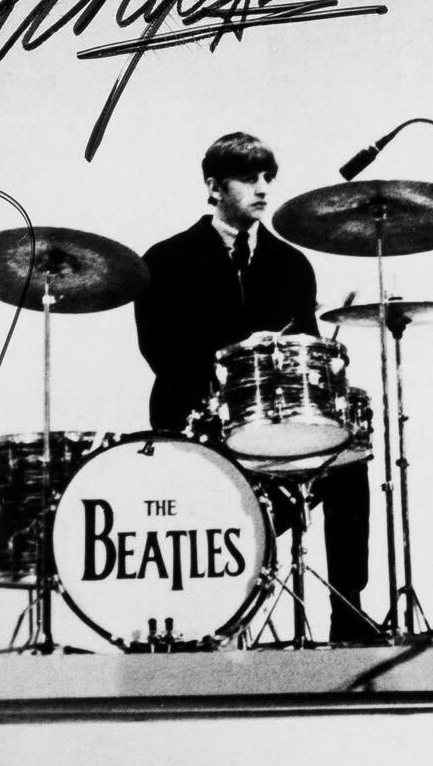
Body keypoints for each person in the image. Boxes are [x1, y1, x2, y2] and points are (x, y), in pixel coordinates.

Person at [135, 132, 373, 641]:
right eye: (249, 178)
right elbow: (159, 350)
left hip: (275, 431)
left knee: (348, 460)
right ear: (213, 186)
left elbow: (305, 350)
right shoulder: (165, 259)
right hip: (197, 430)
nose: (263, 188)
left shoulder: (291, 264)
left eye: (268, 178)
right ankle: (201, 618)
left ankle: (348, 613)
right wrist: (239, 348)